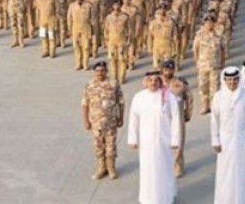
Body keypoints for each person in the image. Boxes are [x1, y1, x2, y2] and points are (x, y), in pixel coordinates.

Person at [128, 70, 181, 204]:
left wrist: (175, 140)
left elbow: (176, 118)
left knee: (165, 169)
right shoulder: (139, 97)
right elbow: (133, 119)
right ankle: (148, 198)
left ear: (160, 81)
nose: (153, 83)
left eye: (156, 80)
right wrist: (133, 139)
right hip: (146, 142)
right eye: (150, 80)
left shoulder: (168, 96)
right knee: (148, 170)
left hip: (164, 140)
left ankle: (166, 197)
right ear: (146, 82)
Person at [211, 66, 245, 204]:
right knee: (225, 171)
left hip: (241, 137)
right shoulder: (218, 96)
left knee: (240, 170)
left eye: (235, 80)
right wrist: (215, 140)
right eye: (229, 80)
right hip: (224, 139)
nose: (232, 83)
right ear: (225, 80)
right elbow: (214, 120)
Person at [81, 61, 124, 180]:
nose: (100, 73)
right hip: (96, 122)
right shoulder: (89, 85)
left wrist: (121, 117)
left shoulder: (113, 84)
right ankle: (101, 168)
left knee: (111, 146)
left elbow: (121, 102)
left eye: (102, 71)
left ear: (106, 71)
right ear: (94, 72)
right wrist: (85, 120)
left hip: (111, 121)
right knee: (98, 146)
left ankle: (111, 168)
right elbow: (85, 103)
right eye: (97, 71)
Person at [161, 59, 193, 177]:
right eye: (166, 69)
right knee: (164, 141)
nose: (168, 71)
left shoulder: (180, 82)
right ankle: (165, 164)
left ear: (174, 69)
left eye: (170, 69)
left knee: (178, 142)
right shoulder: (157, 82)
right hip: (162, 117)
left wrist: (187, 114)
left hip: (178, 117)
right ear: (162, 70)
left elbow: (189, 98)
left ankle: (178, 166)